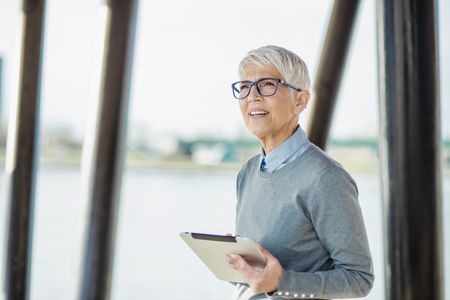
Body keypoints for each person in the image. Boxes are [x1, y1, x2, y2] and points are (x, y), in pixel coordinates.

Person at [225, 45, 374, 300]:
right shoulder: (248, 172)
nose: (253, 96)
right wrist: (240, 264)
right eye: (245, 87)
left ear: (300, 100)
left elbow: (359, 280)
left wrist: (280, 282)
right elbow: (257, 280)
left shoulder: (326, 178)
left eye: (267, 85)